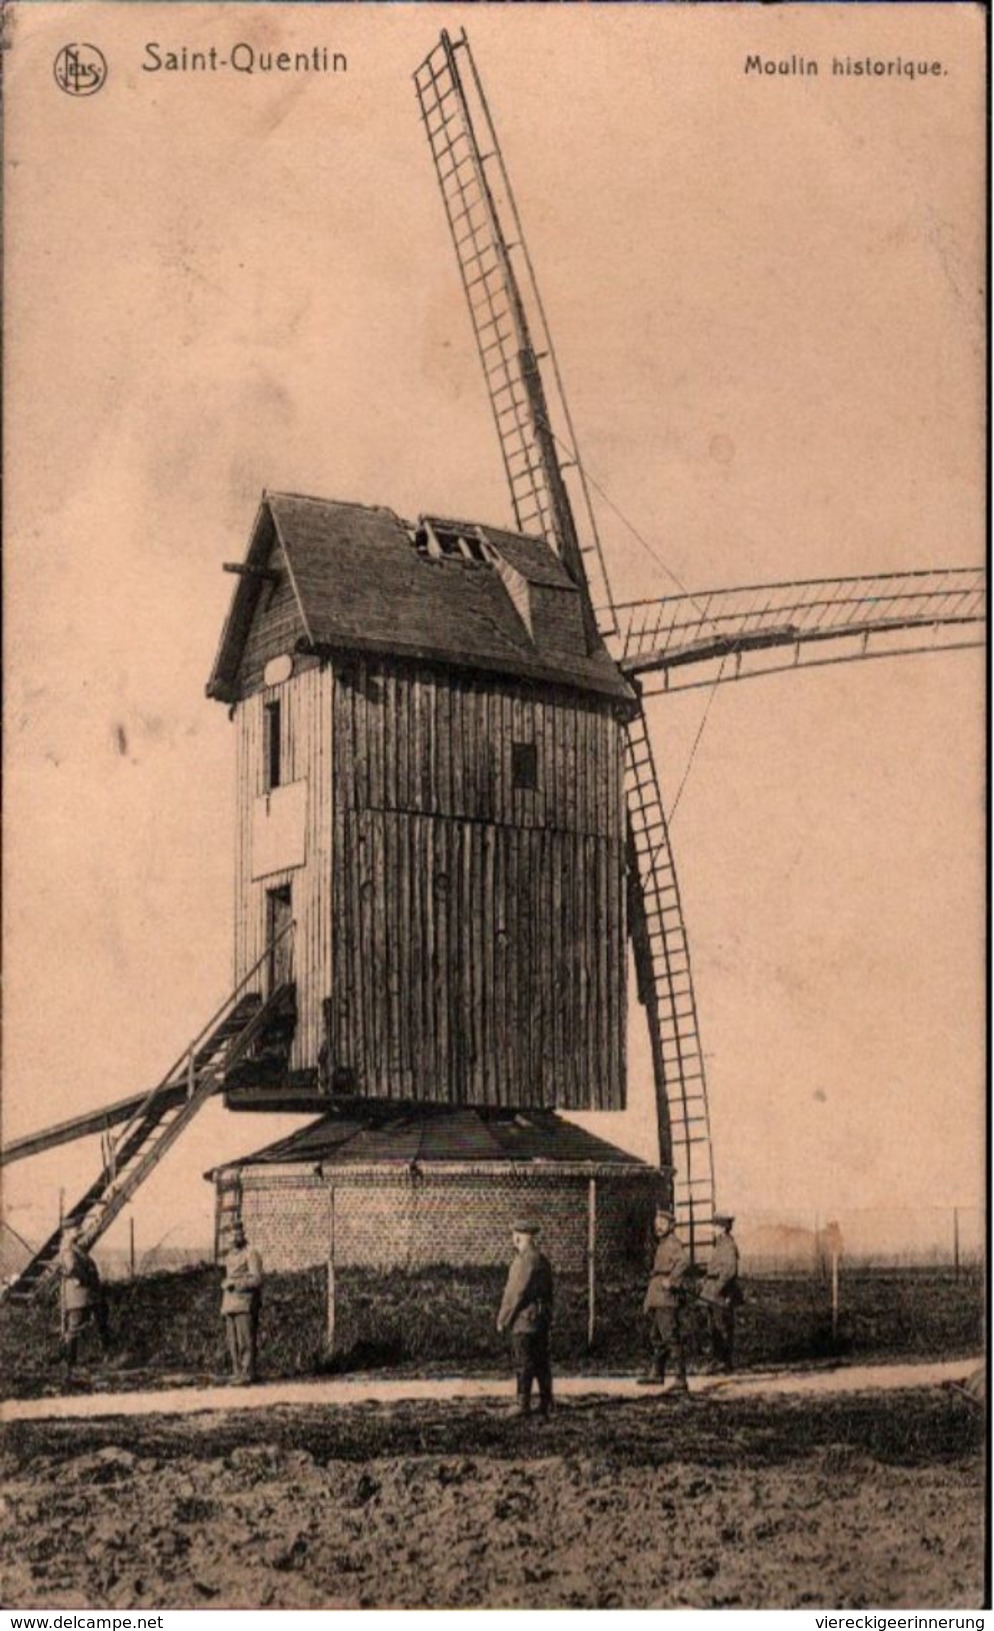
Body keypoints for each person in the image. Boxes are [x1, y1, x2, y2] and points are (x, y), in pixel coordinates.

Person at [496, 1219, 554, 1418]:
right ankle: (547, 1401)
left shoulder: (524, 1261)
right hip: (540, 1318)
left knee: (524, 1361)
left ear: (519, 1237)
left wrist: (503, 1318)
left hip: (524, 1320)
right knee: (541, 1361)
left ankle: (523, 1403)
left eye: (515, 1235)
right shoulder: (542, 1260)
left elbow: (515, 1293)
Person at [640, 1206, 691, 1392]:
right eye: (657, 1224)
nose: (658, 1227)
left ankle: (680, 1378)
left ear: (671, 1225)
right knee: (656, 1336)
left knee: (670, 1336)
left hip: (667, 1298)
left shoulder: (673, 1243)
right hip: (657, 1296)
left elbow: (684, 1262)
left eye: (662, 1223)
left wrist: (672, 1280)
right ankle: (657, 1373)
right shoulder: (662, 1243)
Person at [58, 1224, 110, 1379]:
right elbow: (73, 1268)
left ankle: (106, 1355)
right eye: (75, 1229)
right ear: (67, 1232)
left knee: (102, 1317)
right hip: (79, 1295)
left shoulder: (74, 1246)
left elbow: (87, 1240)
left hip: (87, 1294)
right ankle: (70, 1363)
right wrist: (85, 1278)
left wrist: (98, 1225)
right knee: (75, 1326)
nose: (78, 1230)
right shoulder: (67, 1249)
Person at [221, 1223, 264, 1384]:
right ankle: (237, 1372)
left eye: (238, 1234)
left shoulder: (251, 1253)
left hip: (245, 1303)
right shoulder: (230, 1256)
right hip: (229, 1303)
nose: (234, 1237)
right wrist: (226, 1283)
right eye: (232, 1234)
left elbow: (256, 1279)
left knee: (245, 1340)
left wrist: (236, 1285)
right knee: (232, 1341)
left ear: (243, 1234)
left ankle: (247, 1373)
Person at [701, 1213, 742, 1373]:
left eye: (715, 1226)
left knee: (722, 1326)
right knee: (714, 1327)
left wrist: (717, 1288)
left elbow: (730, 1271)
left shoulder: (727, 1245)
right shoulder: (720, 1244)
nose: (713, 1229)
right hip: (714, 1291)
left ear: (723, 1228)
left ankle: (723, 1362)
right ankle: (718, 1360)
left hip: (721, 1292)